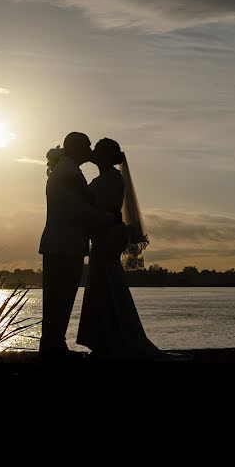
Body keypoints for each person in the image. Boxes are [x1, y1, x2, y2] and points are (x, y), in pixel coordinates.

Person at [76, 138, 162, 358]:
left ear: (105, 156)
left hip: (108, 236)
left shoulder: (110, 179)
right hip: (107, 234)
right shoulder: (109, 178)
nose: (93, 153)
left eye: (97, 150)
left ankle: (111, 339)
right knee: (104, 283)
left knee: (104, 282)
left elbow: (97, 207)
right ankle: (109, 337)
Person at [38, 132, 118, 360]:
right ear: (75, 147)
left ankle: (54, 347)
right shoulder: (67, 172)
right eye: (87, 145)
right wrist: (111, 220)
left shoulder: (68, 169)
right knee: (59, 299)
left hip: (63, 244)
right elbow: (77, 211)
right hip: (64, 245)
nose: (90, 150)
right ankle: (53, 349)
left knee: (59, 299)